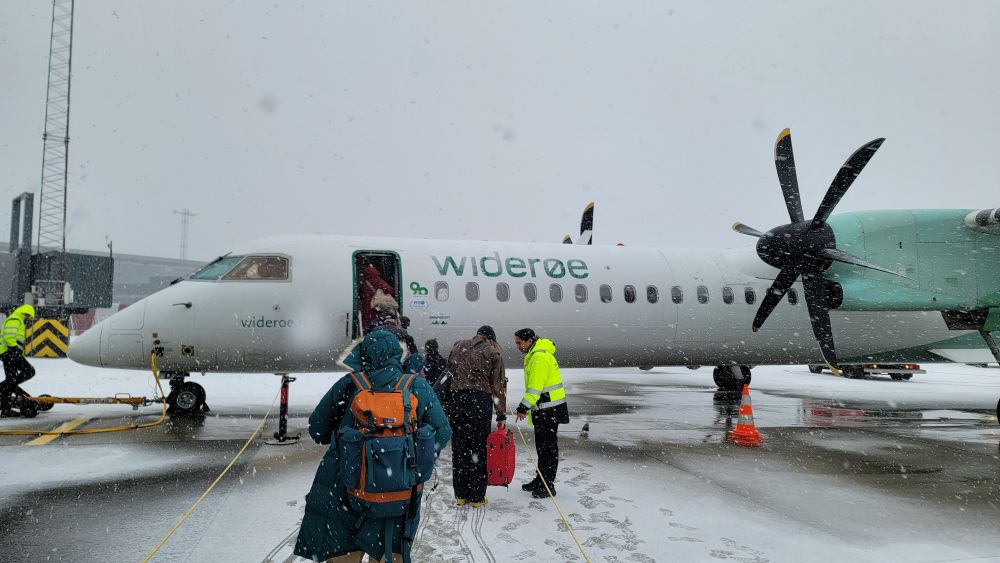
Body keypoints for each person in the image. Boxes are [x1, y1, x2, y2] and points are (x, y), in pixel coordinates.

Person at [294, 330, 452, 562]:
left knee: (343, 551)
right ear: (397, 355)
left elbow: (318, 429)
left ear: (364, 354)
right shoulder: (416, 385)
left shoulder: (349, 385)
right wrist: (406, 454)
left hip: (347, 488)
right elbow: (443, 432)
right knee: (392, 552)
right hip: (400, 493)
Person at [447, 325, 507, 507]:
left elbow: (450, 371)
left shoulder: (458, 346)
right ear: (491, 338)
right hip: (479, 402)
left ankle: (461, 495)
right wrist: (501, 414)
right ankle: (476, 497)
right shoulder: (492, 351)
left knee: (459, 447)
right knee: (478, 449)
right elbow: (497, 385)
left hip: (457, 400)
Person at [513, 328, 569, 498]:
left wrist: (523, 407)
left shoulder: (538, 357)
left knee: (548, 449)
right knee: (542, 448)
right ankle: (541, 479)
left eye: (520, 342)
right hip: (544, 410)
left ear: (530, 340)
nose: (518, 346)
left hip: (549, 411)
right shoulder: (535, 355)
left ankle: (548, 485)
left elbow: (534, 389)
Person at [0, 304, 36, 417]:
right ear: (25, 314)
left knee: (11, 380)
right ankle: (4, 388)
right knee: (29, 371)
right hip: (9, 353)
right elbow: (9, 335)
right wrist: (13, 348)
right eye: (29, 317)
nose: (29, 320)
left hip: (10, 353)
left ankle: (6, 408)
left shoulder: (18, 319)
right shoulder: (15, 319)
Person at [359, 264, 395, 332]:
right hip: (378, 305)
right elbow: (390, 290)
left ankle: (368, 332)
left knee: (368, 321)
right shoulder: (380, 281)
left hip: (368, 306)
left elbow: (361, 295)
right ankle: (378, 333)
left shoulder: (364, 284)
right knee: (378, 320)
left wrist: (368, 298)